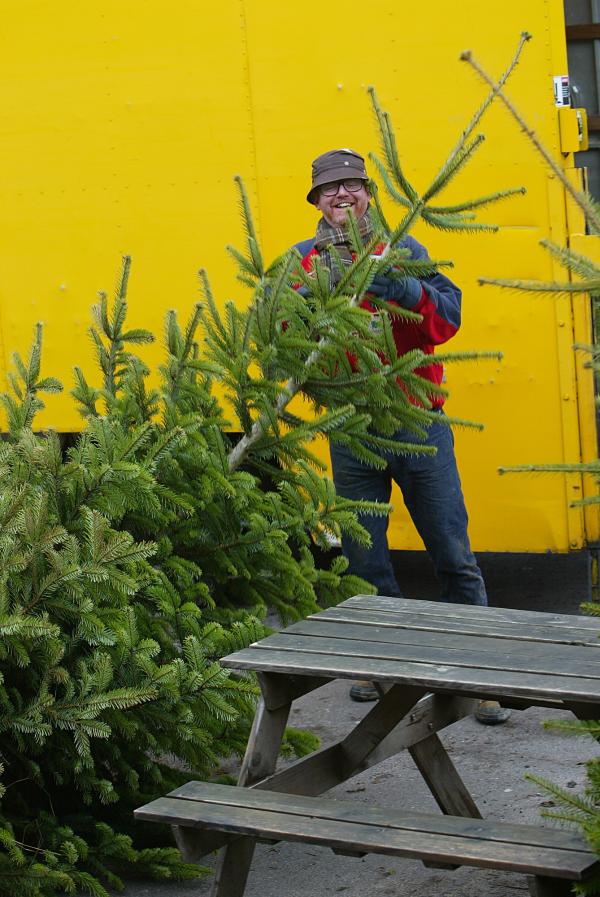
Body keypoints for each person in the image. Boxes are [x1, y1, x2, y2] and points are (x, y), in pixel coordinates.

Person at [293, 148, 510, 725]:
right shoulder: (303, 263)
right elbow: (282, 333)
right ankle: (384, 668)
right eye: (329, 189)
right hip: (351, 431)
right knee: (365, 560)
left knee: (451, 551)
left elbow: (447, 318)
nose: (342, 195)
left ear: (368, 194)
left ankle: (480, 677)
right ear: (316, 200)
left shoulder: (404, 251)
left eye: (352, 186)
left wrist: (399, 287)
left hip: (418, 424)